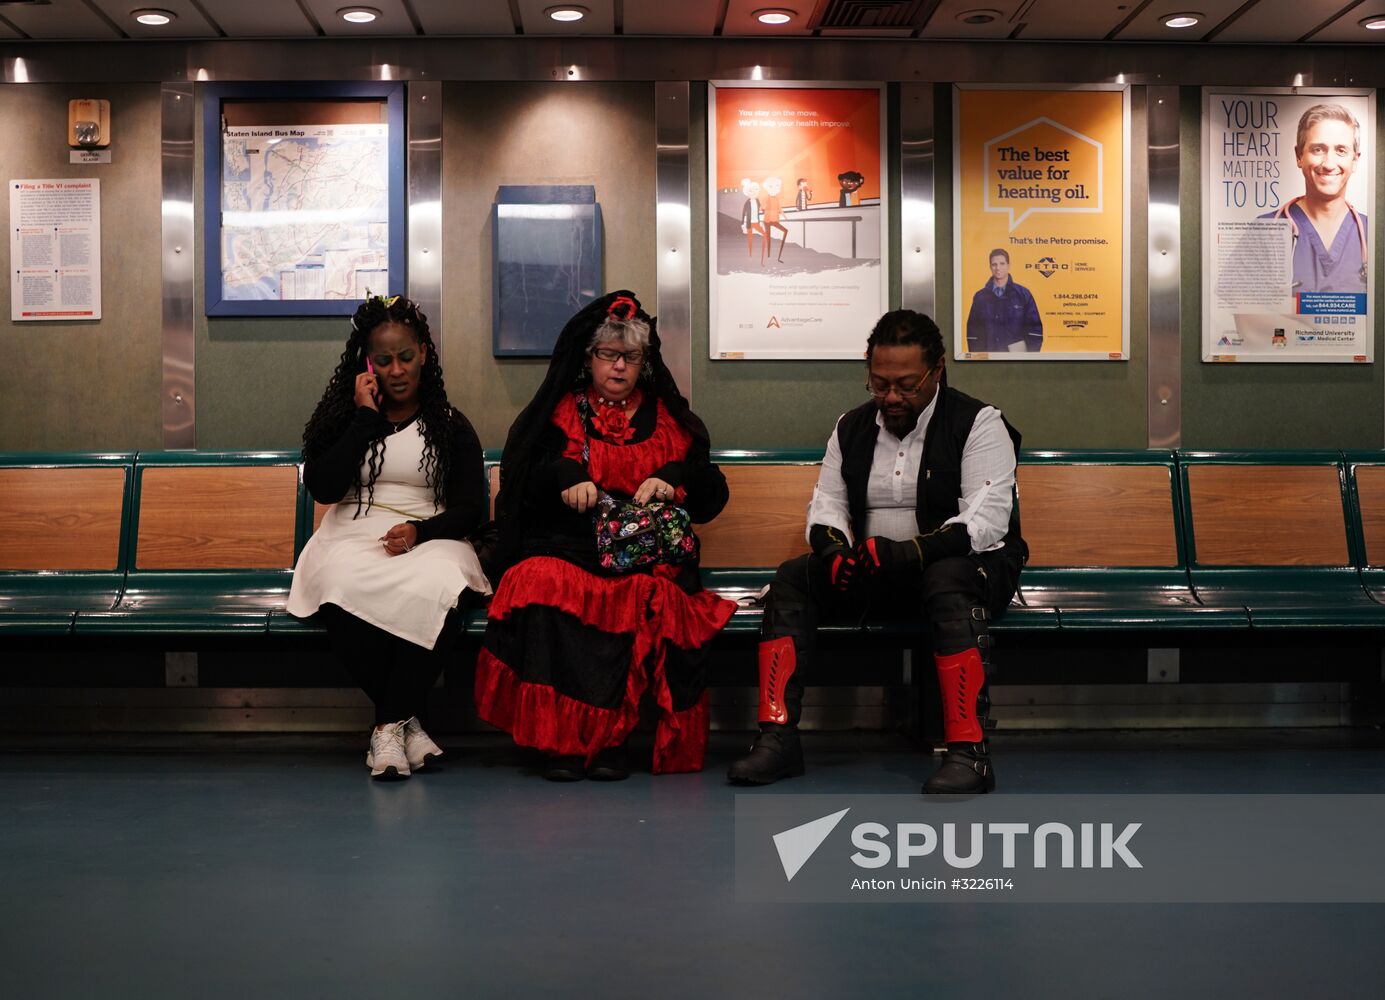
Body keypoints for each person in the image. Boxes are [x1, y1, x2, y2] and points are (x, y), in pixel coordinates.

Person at [727, 309, 1026, 794]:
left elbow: (985, 522)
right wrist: (834, 552)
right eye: (879, 383)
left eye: (907, 385)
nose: (891, 397)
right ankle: (777, 739)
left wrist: (907, 553)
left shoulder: (979, 423)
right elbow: (826, 507)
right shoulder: (852, 426)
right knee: (792, 578)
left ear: (938, 370)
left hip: (967, 574)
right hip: (877, 571)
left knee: (947, 577)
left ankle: (970, 753)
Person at [475, 290, 735, 781]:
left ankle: (613, 741)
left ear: (644, 361)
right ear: (588, 357)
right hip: (570, 548)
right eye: (608, 355)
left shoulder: (669, 420)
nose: (619, 367)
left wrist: (676, 476)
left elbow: (713, 498)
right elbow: (523, 488)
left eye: (631, 357)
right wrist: (563, 476)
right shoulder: (562, 413)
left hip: (645, 559)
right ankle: (564, 744)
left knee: (642, 595)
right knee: (538, 579)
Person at [288, 294, 490, 780]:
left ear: (424, 353)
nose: (396, 370)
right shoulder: (344, 419)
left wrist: (421, 532)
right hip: (350, 534)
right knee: (335, 584)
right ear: (367, 363)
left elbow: (470, 510)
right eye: (383, 359)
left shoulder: (448, 425)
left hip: (430, 535)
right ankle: (404, 724)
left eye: (405, 356)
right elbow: (323, 488)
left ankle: (385, 726)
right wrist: (363, 418)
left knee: (442, 581)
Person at [1258, 103, 1368, 296]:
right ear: (1299, 156)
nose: (1329, 164)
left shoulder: (1373, 233)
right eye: (1318, 149)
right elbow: (1247, 319)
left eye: (1341, 150)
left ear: (1355, 160)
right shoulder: (1265, 231)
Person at [965, 248, 1043, 354]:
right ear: (990, 267)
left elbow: (1035, 331)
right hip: (989, 360)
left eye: (1002, 263)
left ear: (1008, 266)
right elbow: (973, 332)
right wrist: (979, 359)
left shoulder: (1023, 294)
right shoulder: (980, 297)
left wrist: (1027, 359)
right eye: (994, 264)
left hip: (1016, 361)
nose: (998, 268)